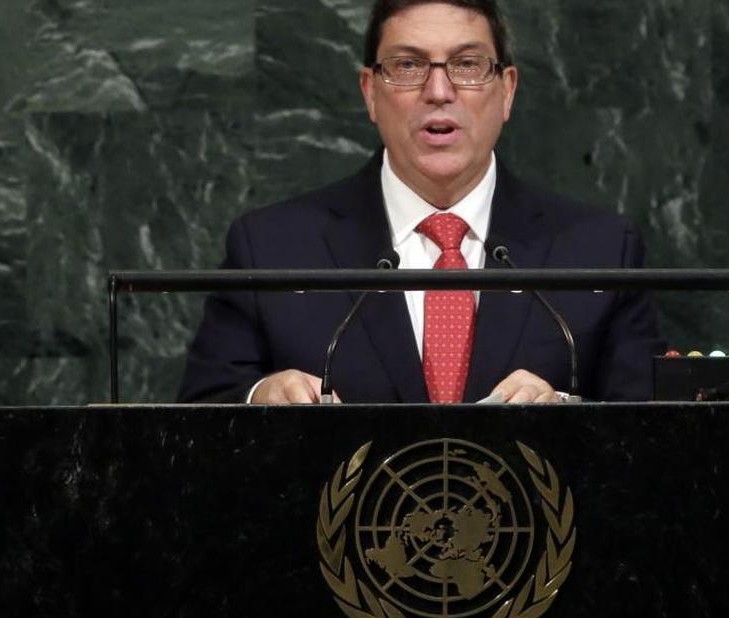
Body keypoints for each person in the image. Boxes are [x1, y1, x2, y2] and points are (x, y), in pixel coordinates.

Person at [177, 0, 662, 404]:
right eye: (407, 66)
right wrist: (260, 397)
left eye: (467, 65)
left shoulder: (599, 250)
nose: (438, 91)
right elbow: (192, 419)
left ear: (507, 90)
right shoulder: (272, 248)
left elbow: (654, 436)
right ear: (370, 92)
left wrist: (566, 411)